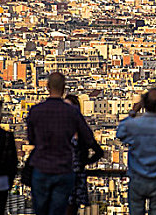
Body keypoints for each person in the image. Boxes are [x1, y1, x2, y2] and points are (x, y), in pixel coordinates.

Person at [27, 72, 95, 215]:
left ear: (47, 87)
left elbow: (31, 139)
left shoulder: (36, 111)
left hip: (41, 167)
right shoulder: (72, 112)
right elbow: (88, 138)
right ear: (64, 88)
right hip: (64, 168)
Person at [116, 88, 156, 215]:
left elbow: (120, 132)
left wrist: (133, 111)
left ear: (144, 104)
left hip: (137, 179)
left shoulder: (134, 125)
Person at [63, 94, 104, 215]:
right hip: (64, 177)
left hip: (73, 178)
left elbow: (99, 152)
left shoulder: (82, 132)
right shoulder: (79, 132)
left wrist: (83, 163)